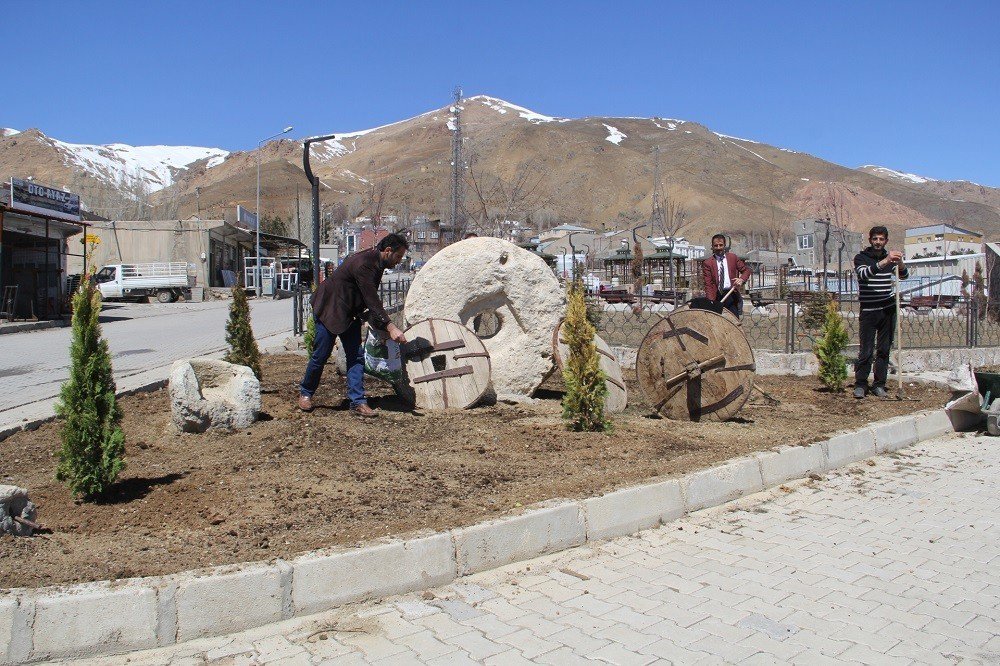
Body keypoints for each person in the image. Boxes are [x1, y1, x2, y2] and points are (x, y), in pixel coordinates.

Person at [298, 234, 409, 417]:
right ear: (388, 251)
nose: (398, 262)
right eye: (398, 257)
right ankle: (306, 393)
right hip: (330, 309)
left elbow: (365, 296)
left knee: (356, 357)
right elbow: (371, 298)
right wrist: (390, 327)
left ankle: (358, 401)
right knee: (320, 355)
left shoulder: (377, 262)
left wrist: (373, 320)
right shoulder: (365, 264)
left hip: (350, 313)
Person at [853, 226, 908, 399]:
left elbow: (904, 276)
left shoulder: (891, 261)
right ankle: (861, 384)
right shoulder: (861, 258)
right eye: (875, 239)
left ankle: (879, 385)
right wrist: (886, 261)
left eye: (881, 239)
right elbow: (864, 274)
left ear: (886, 241)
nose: (878, 242)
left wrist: (899, 263)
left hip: (888, 310)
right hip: (869, 311)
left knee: (884, 350)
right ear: (870, 240)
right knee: (866, 351)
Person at [702, 234, 750, 317]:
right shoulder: (708, 263)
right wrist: (711, 301)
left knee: (733, 320)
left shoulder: (732, 258)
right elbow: (708, 284)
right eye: (715, 245)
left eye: (721, 245)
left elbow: (746, 270)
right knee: (717, 322)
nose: (718, 248)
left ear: (724, 245)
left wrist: (741, 279)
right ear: (712, 247)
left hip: (731, 294)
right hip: (716, 296)